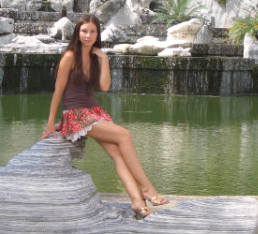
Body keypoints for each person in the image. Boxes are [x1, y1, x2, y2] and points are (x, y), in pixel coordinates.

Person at [40, 14, 169, 219]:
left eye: (92, 32)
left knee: (117, 154)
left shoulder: (95, 57)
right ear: (77, 33)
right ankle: (147, 188)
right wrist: (50, 124)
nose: (88, 35)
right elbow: (58, 91)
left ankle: (137, 202)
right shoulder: (70, 56)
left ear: (97, 34)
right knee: (124, 135)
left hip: (93, 111)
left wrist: (104, 59)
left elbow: (105, 87)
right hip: (75, 114)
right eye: (84, 31)